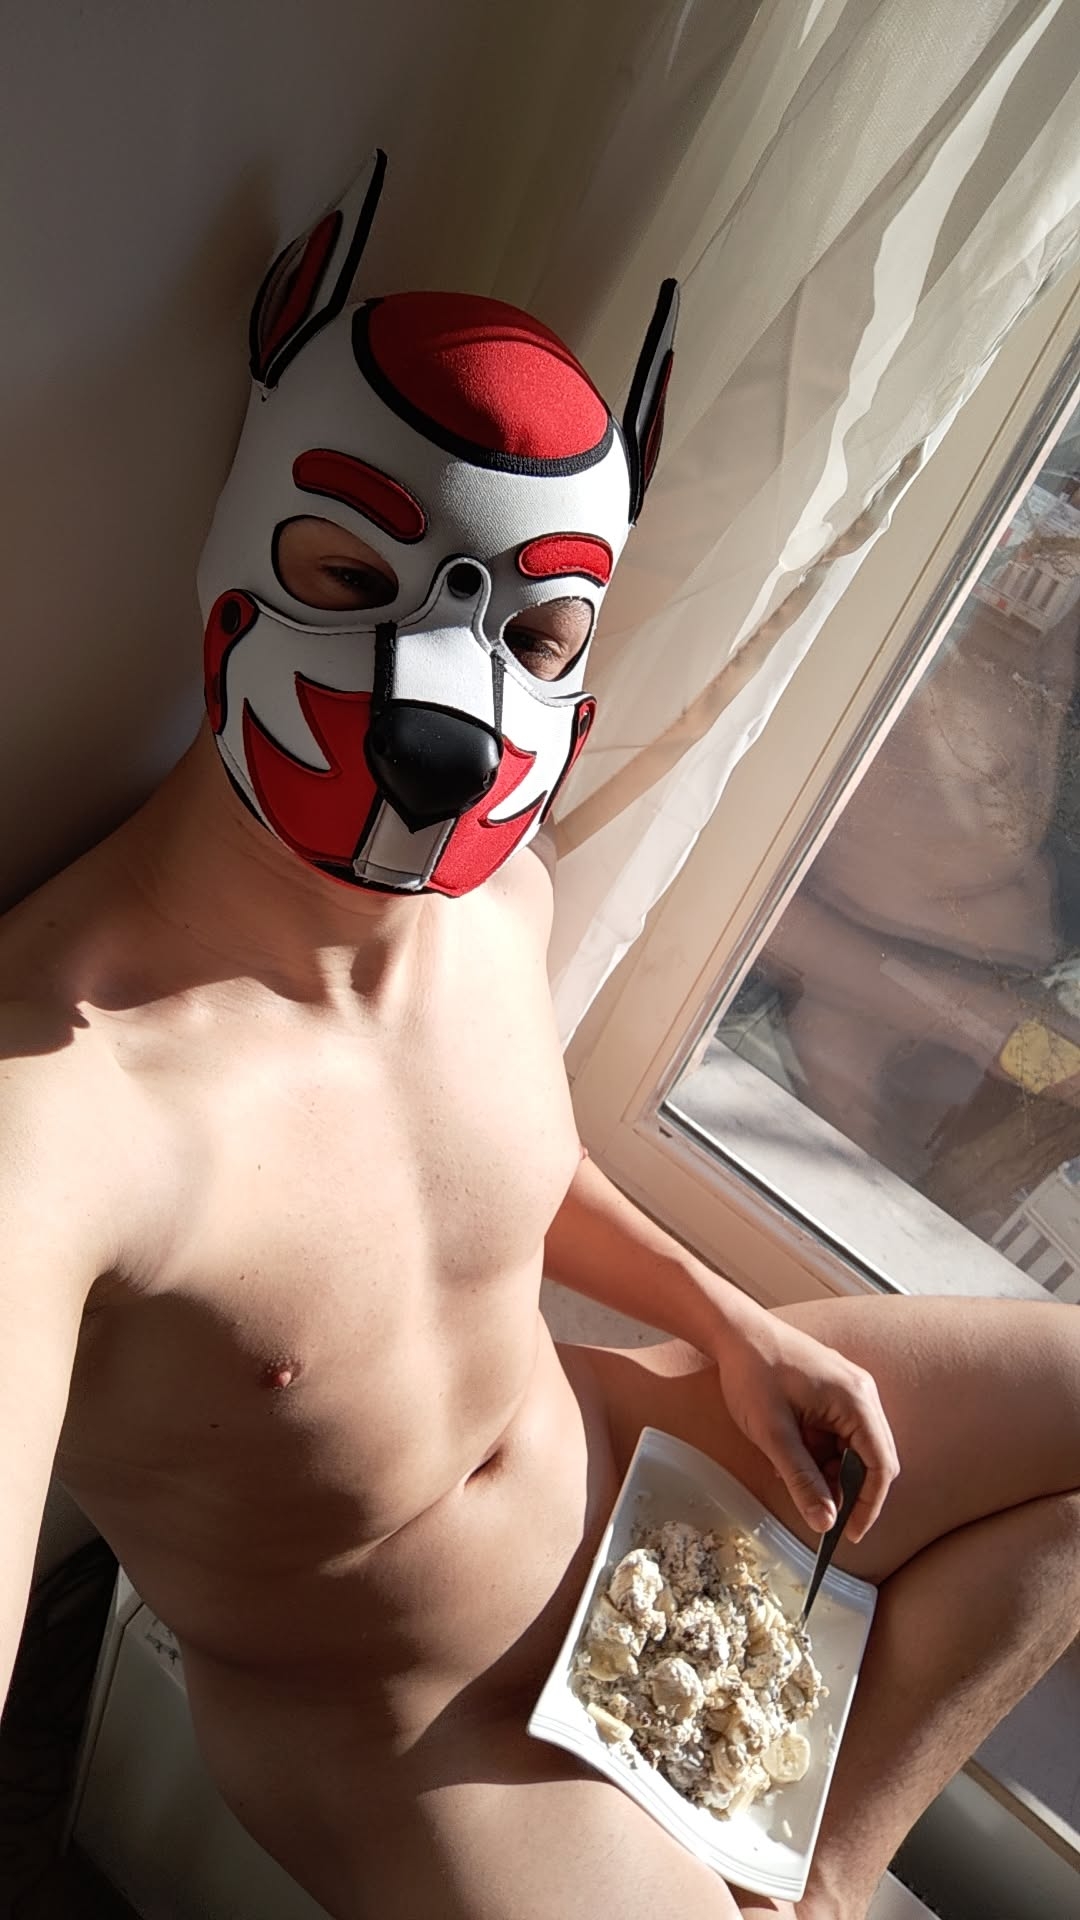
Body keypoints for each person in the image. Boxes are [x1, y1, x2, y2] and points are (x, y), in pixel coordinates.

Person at [2, 150, 1077, 1920]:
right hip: (404, 1718)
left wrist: (730, 1324)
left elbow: (489, 1163)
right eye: (347, 575)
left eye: (538, 629)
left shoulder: (501, 902)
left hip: (629, 1477)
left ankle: (820, 1878)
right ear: (240, 543)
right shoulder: (60, 1096)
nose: (440, 704)